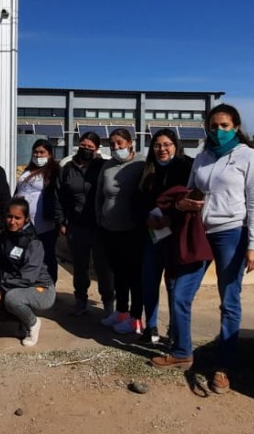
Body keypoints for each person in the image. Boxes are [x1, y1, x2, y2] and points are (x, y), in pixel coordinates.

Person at [152, 104, 254, 396]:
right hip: (199, 232)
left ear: (236, 126)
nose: (219, 131)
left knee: (229, 300)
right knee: (180, 293)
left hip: (232, 233)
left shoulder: (249, 156)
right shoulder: (201, 157)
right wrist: (182, 204)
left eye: (225, 126)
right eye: (213, 126)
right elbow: (190, 192)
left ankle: (223, 365)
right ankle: (181, 351)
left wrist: (253, 245)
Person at [136, 128, 197, 345]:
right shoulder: (148, 170)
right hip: (152, 235)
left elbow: (193, 199)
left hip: (176, 235)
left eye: (166, 145)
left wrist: (172, 217)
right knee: (149, 281)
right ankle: (150, 326)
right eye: (157, 145)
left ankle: (174, 330)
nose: (162, 149)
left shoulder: (186, 167)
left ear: (175, 145)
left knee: (173, 284)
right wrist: (147, 218)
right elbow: (139, 200)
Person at [0, 198, 55, 347]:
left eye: (18, 218)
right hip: (15, 287)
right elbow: (0, 259)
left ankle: (33, 324)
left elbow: (27, 277)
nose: (12, 221)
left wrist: (2, 290)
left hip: (41, 288)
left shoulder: (34, 243)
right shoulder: (5, 236)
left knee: (12, 299)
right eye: (9, 217)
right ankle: (22, 320)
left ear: (26, 218)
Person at [96, 128, 147, 336]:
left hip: (132, 230)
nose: (116, 148)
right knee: (118, 274)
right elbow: (99, 195)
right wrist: (99, 217)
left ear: (130, 143)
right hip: (110, 229)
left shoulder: (141, 164)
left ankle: (136, 318)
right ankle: (121, 311)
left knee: (134, 275)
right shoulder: (107, 166)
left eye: (120, 144)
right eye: (112, 145)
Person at [59, 132, 105, 316]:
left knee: (103, 266)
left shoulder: (102, 167)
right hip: (76, 225)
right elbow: (59, 196)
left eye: (90, 147)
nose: (86, 149)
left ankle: (108, 300)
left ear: (96, 149)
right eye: (83, 145)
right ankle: (80, 299)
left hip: (100, 225)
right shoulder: (68, 168)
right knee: (80, 266)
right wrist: (61, 220)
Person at [14, 139, 62, 285]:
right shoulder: (27, 170)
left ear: (49, 154)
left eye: (42, 152)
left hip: (44, 223)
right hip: (24, 222)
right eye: (35, 152)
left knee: (46, 255)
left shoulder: (54, 172)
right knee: (25, 253)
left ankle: (49, 284)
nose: (38, 155)